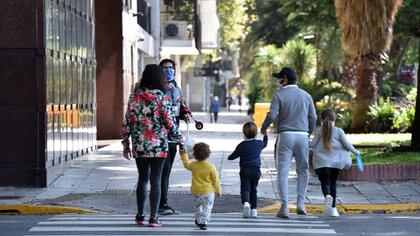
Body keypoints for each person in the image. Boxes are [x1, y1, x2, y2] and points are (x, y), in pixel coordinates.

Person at [121, 64, 183, 227]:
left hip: (140, 145)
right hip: (158, 146)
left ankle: (140, 215)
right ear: (159, 78)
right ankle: (153, 218)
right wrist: (179, 138)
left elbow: (127, 122)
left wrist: (125, 143)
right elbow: (170, 123)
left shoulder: (134, 98)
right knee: (155, 180)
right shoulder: (162, 98)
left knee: (142, 179)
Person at [261, 67, 317, 218]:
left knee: (283, 172)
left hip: (285, 136)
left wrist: (263, 128)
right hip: (302, 136)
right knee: (303, 170)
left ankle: (285, 207)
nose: (278, 82)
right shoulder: (306, 96)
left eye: (279, 79)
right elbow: (313, 117)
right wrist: (307, 132)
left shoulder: (278, 95)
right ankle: (301, 204)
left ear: (285, 79)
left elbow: (272, 115)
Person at [311, 109, 360, 217]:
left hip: (322, 162)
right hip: (335, 163)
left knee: (325, 183)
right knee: (333, 183)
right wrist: (356, 152)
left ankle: (327, 196)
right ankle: (333, 209)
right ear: (335, 119)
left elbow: (312, 145)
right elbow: (347, 145)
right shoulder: (339, 131)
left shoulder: (319, 131)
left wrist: (305, 139)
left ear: (322, 120)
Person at [158, 58, 188, 215]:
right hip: (159, 136)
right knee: (162, 171)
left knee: (167, 170)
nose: (169, 71)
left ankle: (163, 202)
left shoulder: (177, 88)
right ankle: (161, 203)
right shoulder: (157, 89)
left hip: (173, 135)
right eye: (165, 68)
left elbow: (180, 107)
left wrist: (185, 115)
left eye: (171, 68)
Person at [228, 122, 268, 218]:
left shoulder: (242, 145)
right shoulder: (259, 144)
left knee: (245, 189)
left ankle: (246, 203)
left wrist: (230, 157)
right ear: (256, 133)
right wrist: (265, 135)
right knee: (254, 189)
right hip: (256, 171)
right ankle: (254, 210)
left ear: (244, 133)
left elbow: (232, 156)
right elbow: (265, 143)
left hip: (245, 170)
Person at [179, 142, 221, 230]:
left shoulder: (193, 165)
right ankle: (204, 222)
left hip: (196, 192)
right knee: (207, 208)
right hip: (208, 192)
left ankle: (198, 220)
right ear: (208, 154)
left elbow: (186, 164)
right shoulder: (210, 166)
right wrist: (218, 191)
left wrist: (184, 154)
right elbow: (216, 180)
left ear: (194, 154)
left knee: (197, 207)